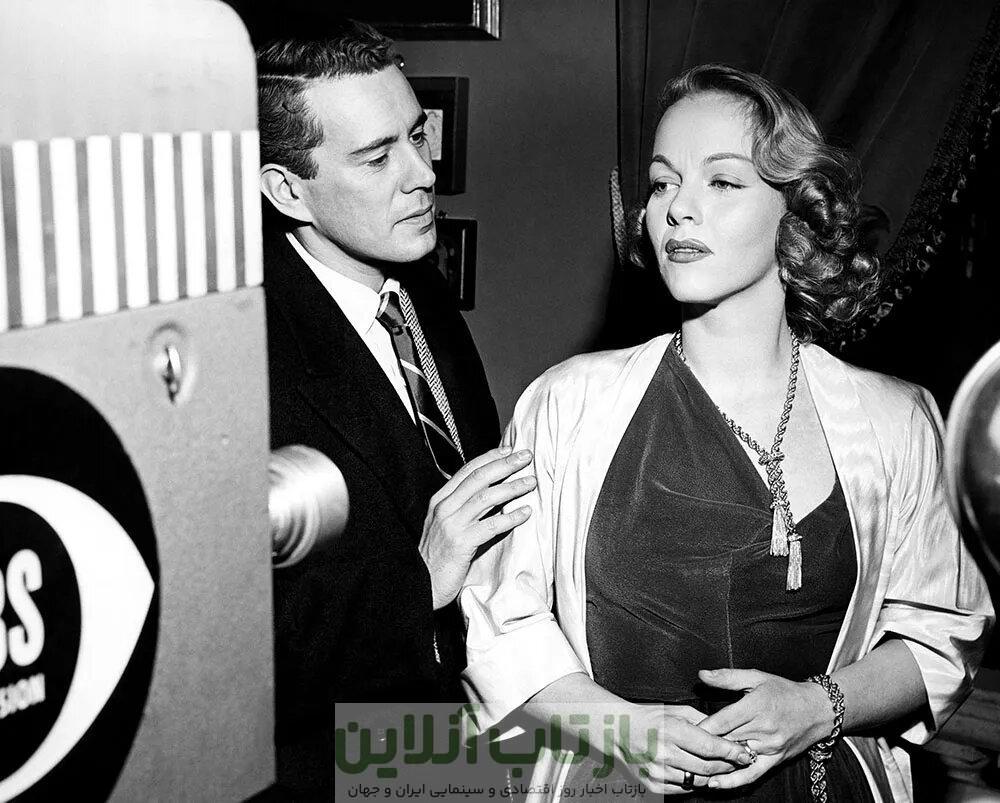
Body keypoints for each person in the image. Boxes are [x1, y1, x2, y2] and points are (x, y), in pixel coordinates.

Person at [460, 64, 994, 801]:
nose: (679, 209)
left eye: (721, 181)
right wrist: (619, 727)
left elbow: (942, 631)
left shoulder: (897, 419)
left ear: (796, 213)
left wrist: (817, 707)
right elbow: (499, 622)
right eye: (662, 183)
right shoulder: (565, 405)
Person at [256, 21, 535, 795]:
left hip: (463, 716)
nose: (422, 173)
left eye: (417, 136)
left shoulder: (418, 289)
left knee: (630, 772)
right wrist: (420, 579)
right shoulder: (242, 356)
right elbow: (235, 649)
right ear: (286, 189)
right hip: (335, 763)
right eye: (378, 157)